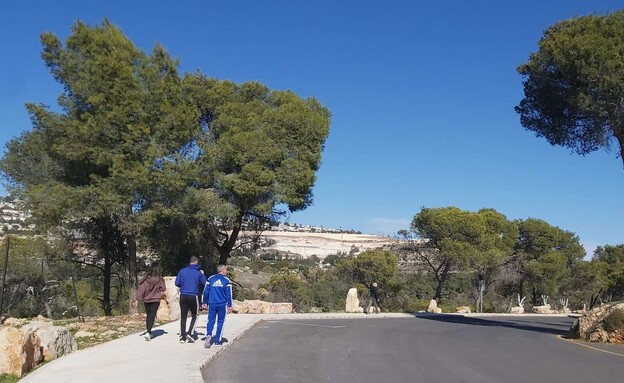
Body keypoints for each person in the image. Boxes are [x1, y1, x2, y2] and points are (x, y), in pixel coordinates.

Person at [175, 256, 207, 343]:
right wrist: (202, 274)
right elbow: (205, 283)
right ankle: (190, 333)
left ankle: (182, 336)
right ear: (197, 262)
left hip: (183, 295)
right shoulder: (198, 272)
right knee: (195, 315)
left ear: (190, 262)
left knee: (183, 316)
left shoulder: (182, 271)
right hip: (193, 295)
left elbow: (177, 283)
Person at [201, 264, 233, 348]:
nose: (226, 271)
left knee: (211, 320)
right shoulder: (226, 280)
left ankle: (208, 334)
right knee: (220, 322)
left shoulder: (210, 279)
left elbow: (206, 291)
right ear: (222, 271)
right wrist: (230, 305)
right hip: (222, 304)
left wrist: (204, 302)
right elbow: (228, 294)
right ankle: (217, 340)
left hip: (212, 303)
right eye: (226, 270)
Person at [133, 262, 166, 341]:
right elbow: (163, 289)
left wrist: (137, 298)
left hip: (147, 300)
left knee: (149, 315)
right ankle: (148, 332)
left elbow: (141, 289)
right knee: (152, 315)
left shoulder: (146, 279)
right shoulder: (159, 279)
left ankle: (149, 331)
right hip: (156, 300)